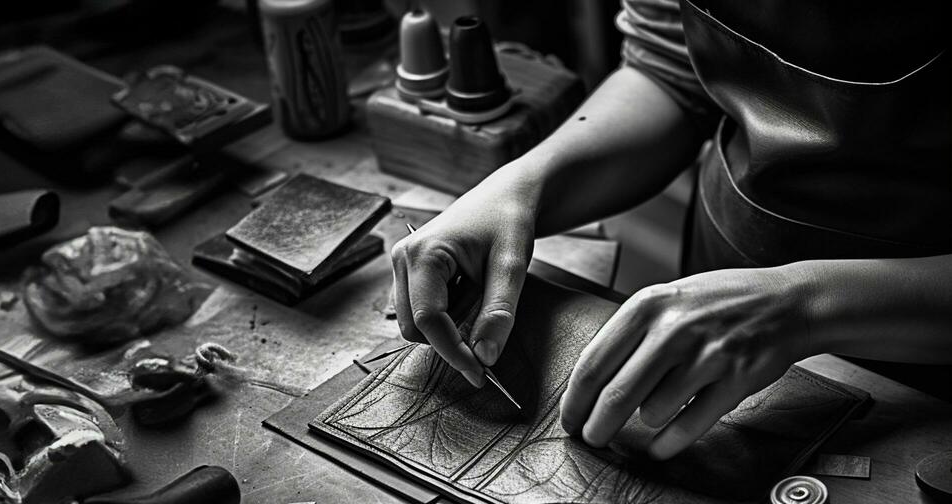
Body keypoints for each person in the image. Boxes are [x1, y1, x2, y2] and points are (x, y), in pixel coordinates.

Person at [391, 0, 951, 460]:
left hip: (922, 360)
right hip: (717, 288)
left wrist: (807, 306)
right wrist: (522, 185)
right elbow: (671, 69)